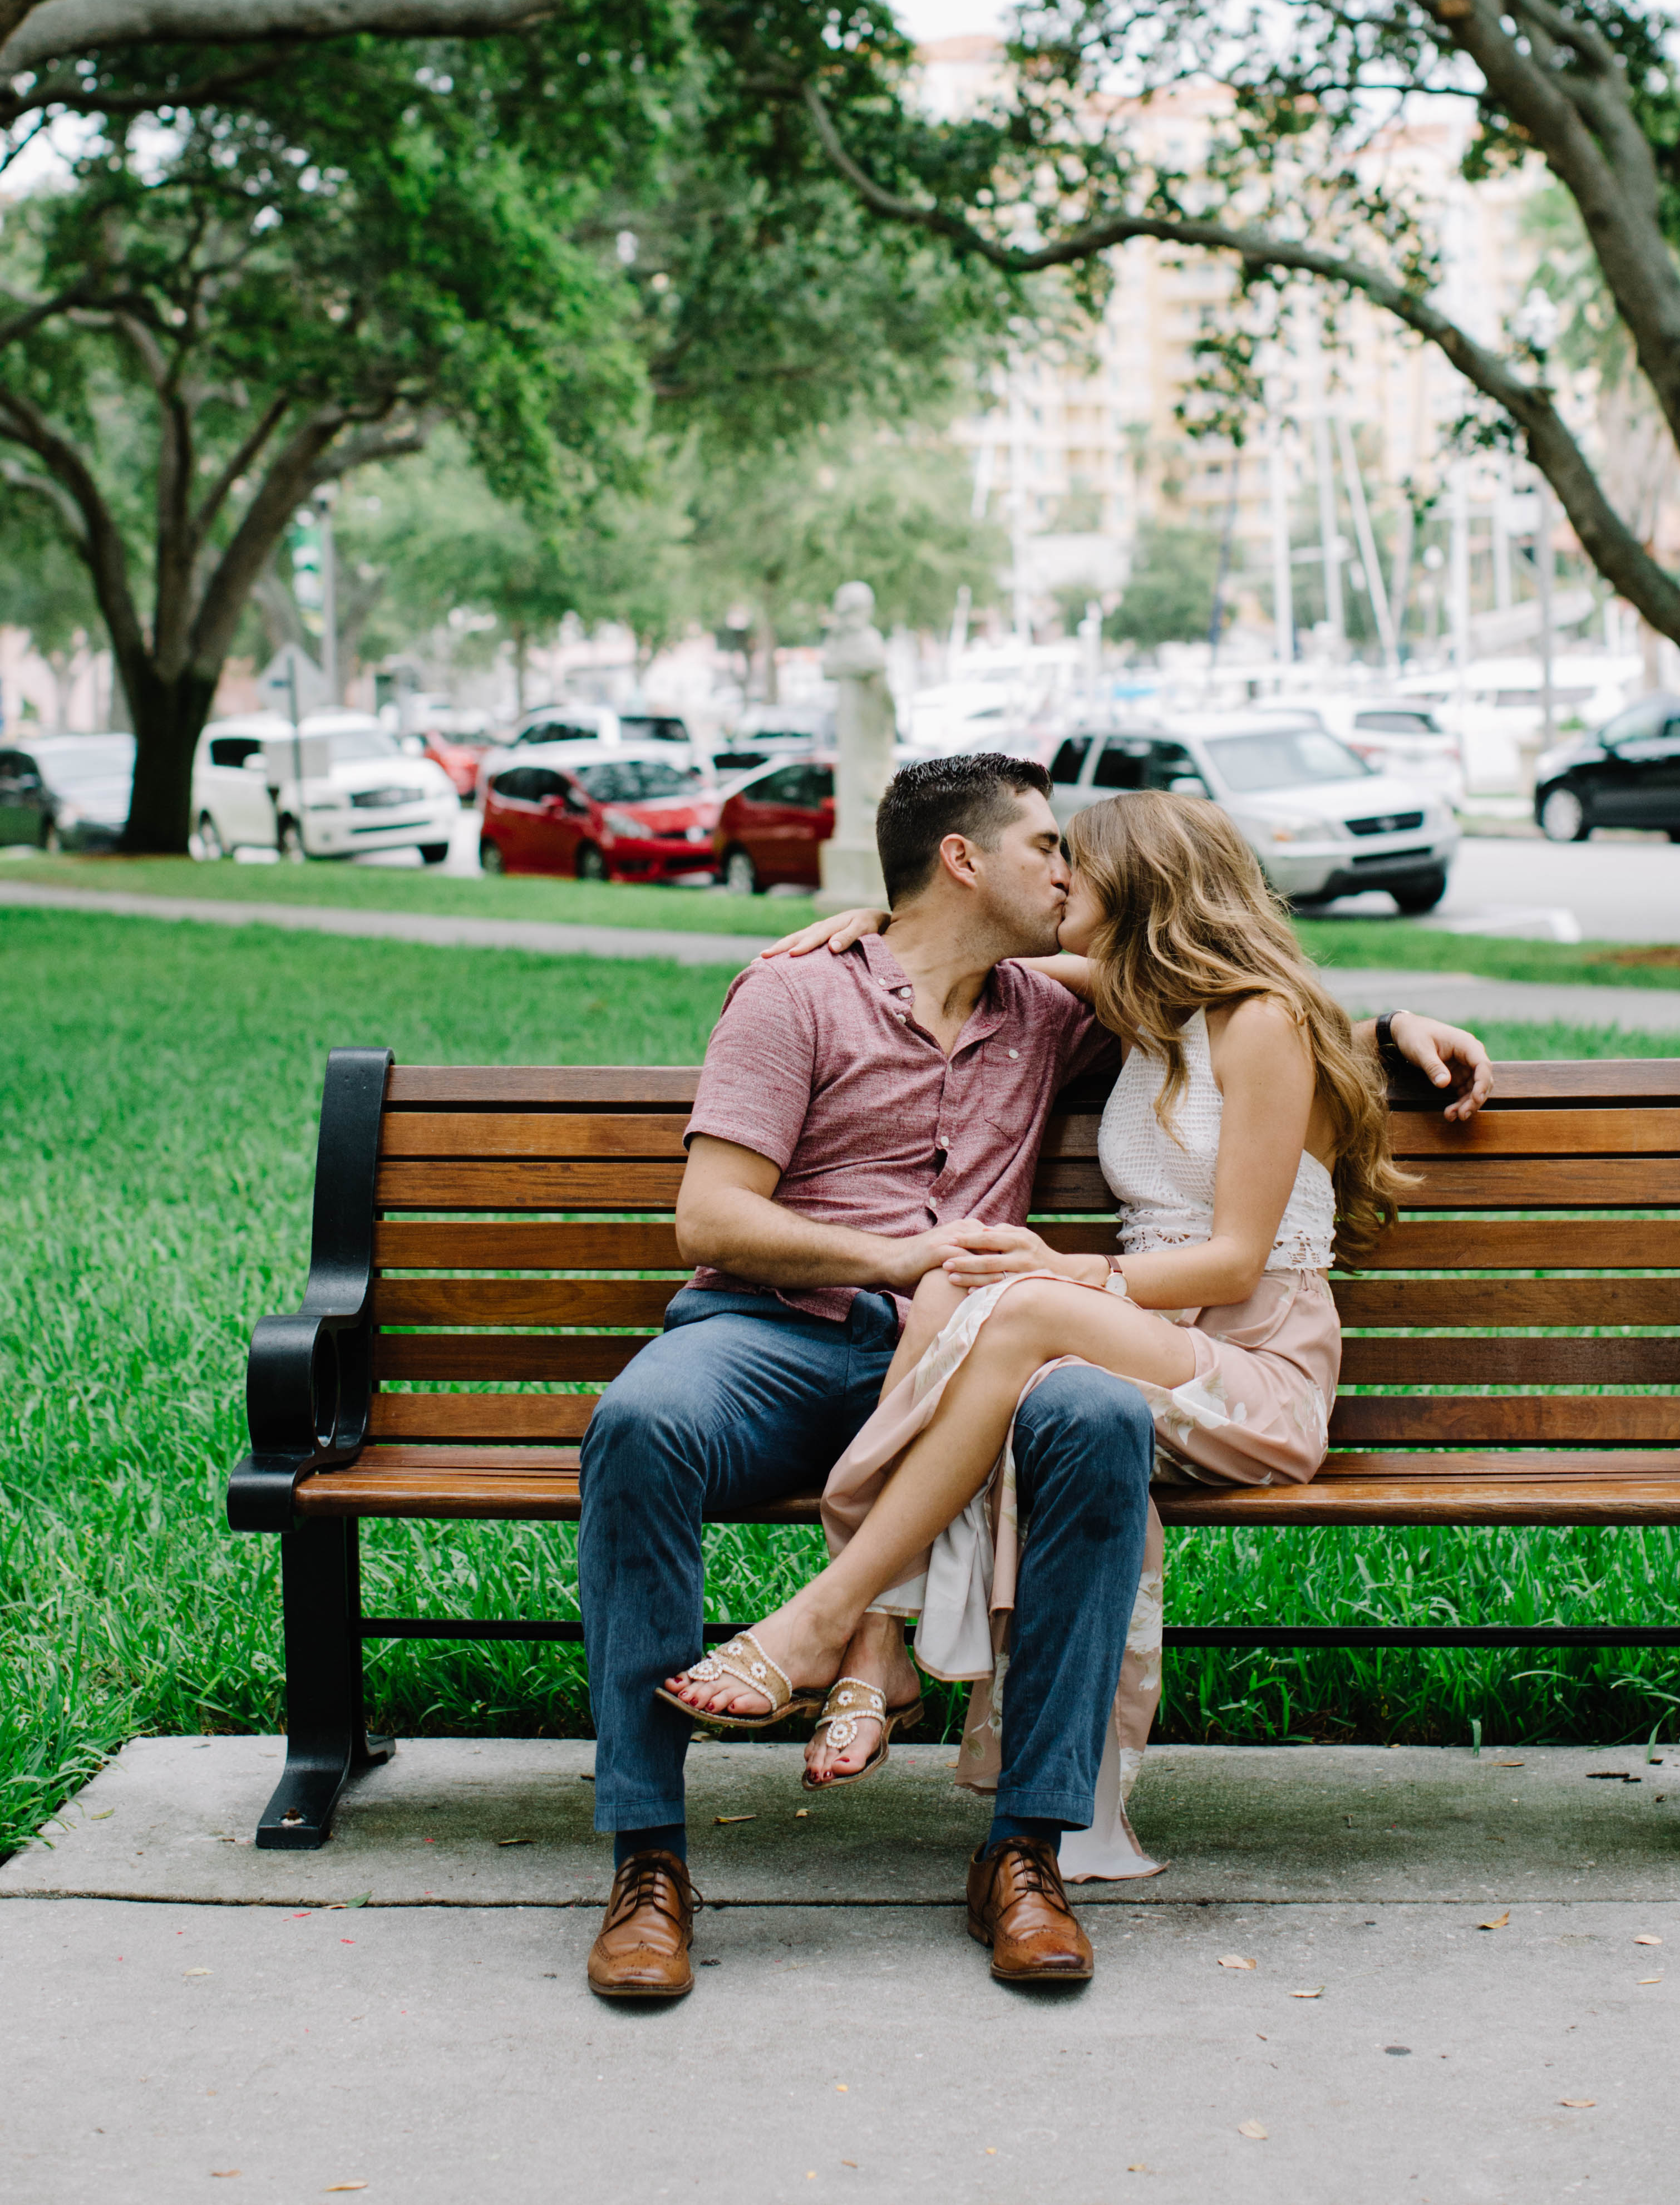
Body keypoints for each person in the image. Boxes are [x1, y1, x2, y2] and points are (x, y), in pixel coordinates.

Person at [579, 753, 1491, 2003]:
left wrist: (1390, 1028)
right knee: (639, 1424)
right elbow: (711, 1218)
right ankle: (649, 1862)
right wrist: (898, 1251)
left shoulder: (1053, 1009)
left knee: (1089, 1410)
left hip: (1028, 1348)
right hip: (785, 1338)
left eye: (1080, 859)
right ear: (963, 861)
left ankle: (1026, 1848)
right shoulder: (797, 996)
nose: (1063, 873)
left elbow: (1242, 1003)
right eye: (1045, 850)